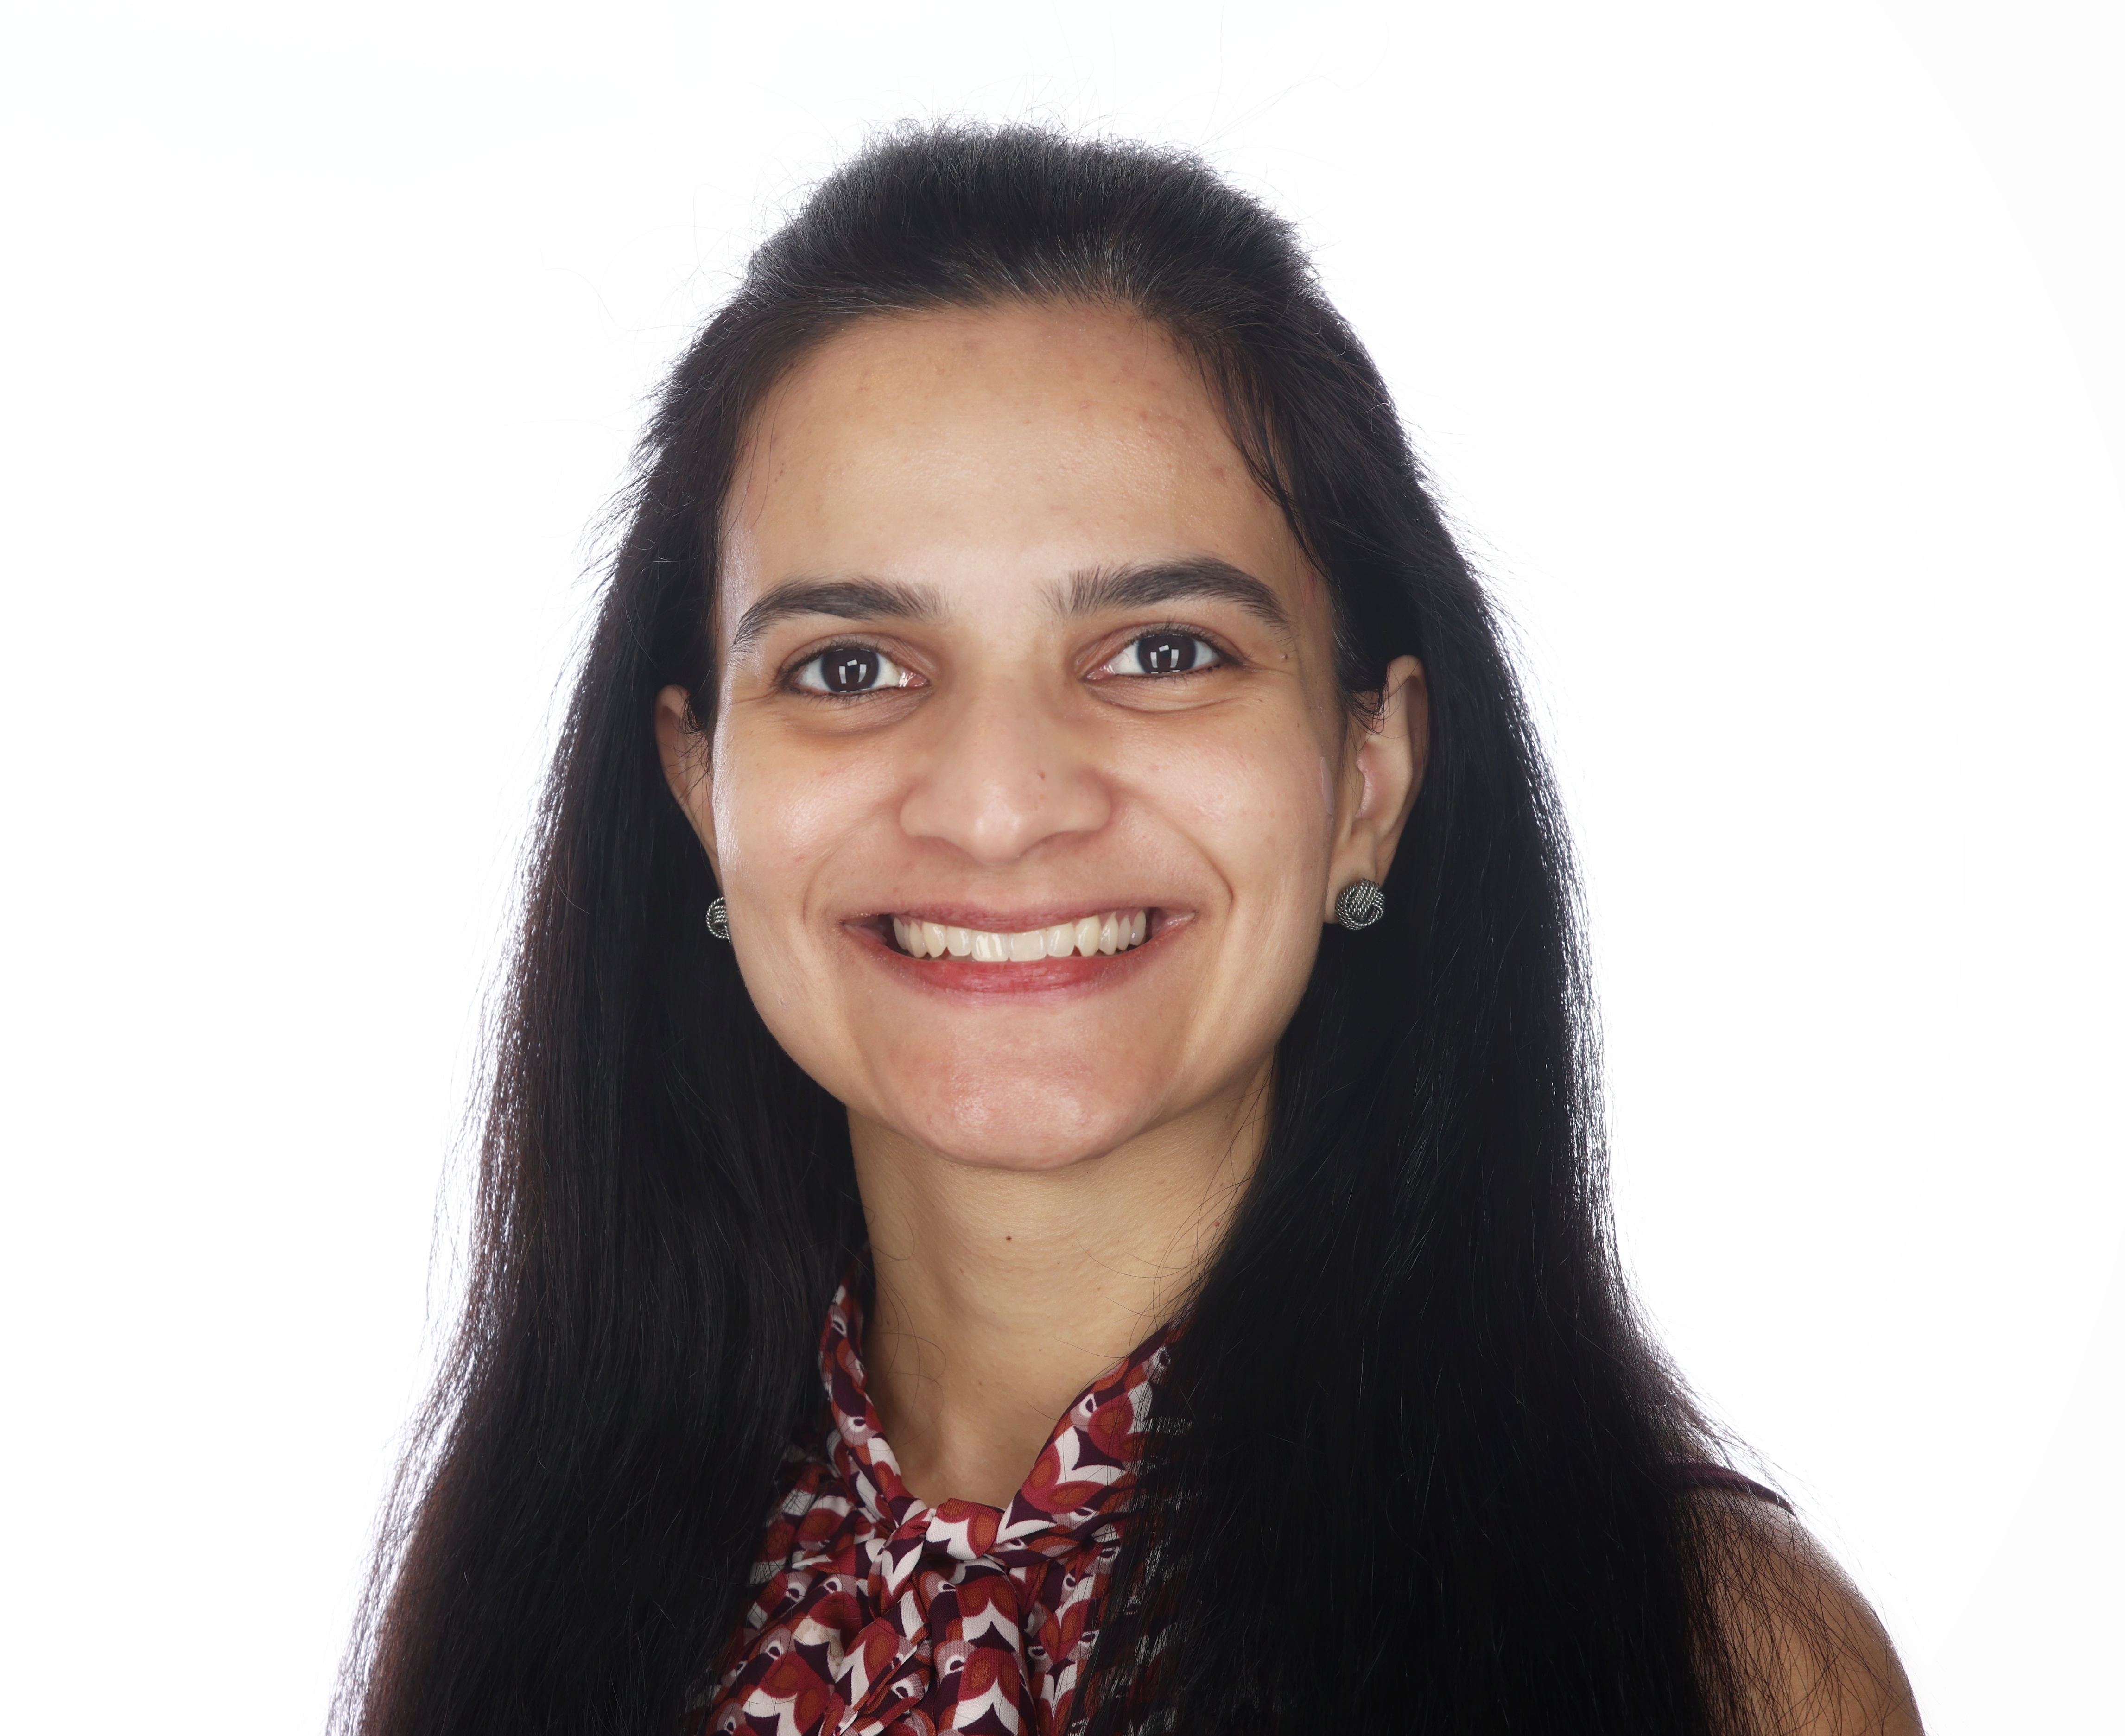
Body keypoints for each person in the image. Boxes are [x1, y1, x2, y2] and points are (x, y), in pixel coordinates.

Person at [342, 124, 1922, 1736]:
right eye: (849, 667)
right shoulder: (538, 1581)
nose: (999, 803)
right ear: (699, 784)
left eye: (1161, 651)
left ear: (1367, 774)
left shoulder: (1718, 1658)